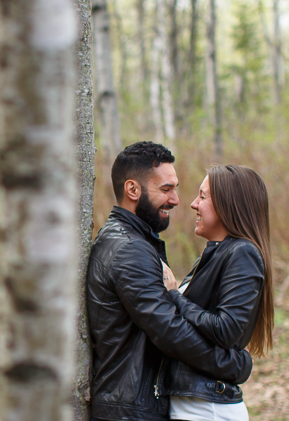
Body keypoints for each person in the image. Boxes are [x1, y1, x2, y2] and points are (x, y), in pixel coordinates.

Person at [87, 142, 253, 421]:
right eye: (166, 189)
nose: (176, 200)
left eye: (174, 188)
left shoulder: (124, 240)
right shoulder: (129, 249)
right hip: (131, 411)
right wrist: (234, 365)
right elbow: (170, 332)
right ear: (132, 190)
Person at [160, 165, 275, 421]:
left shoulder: (242, 253)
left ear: (228, 205)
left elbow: (227, 328)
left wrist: (175, 296)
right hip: (195, 405)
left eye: (202, 196)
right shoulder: (216, 253)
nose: (193, 204)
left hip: (207, 409)